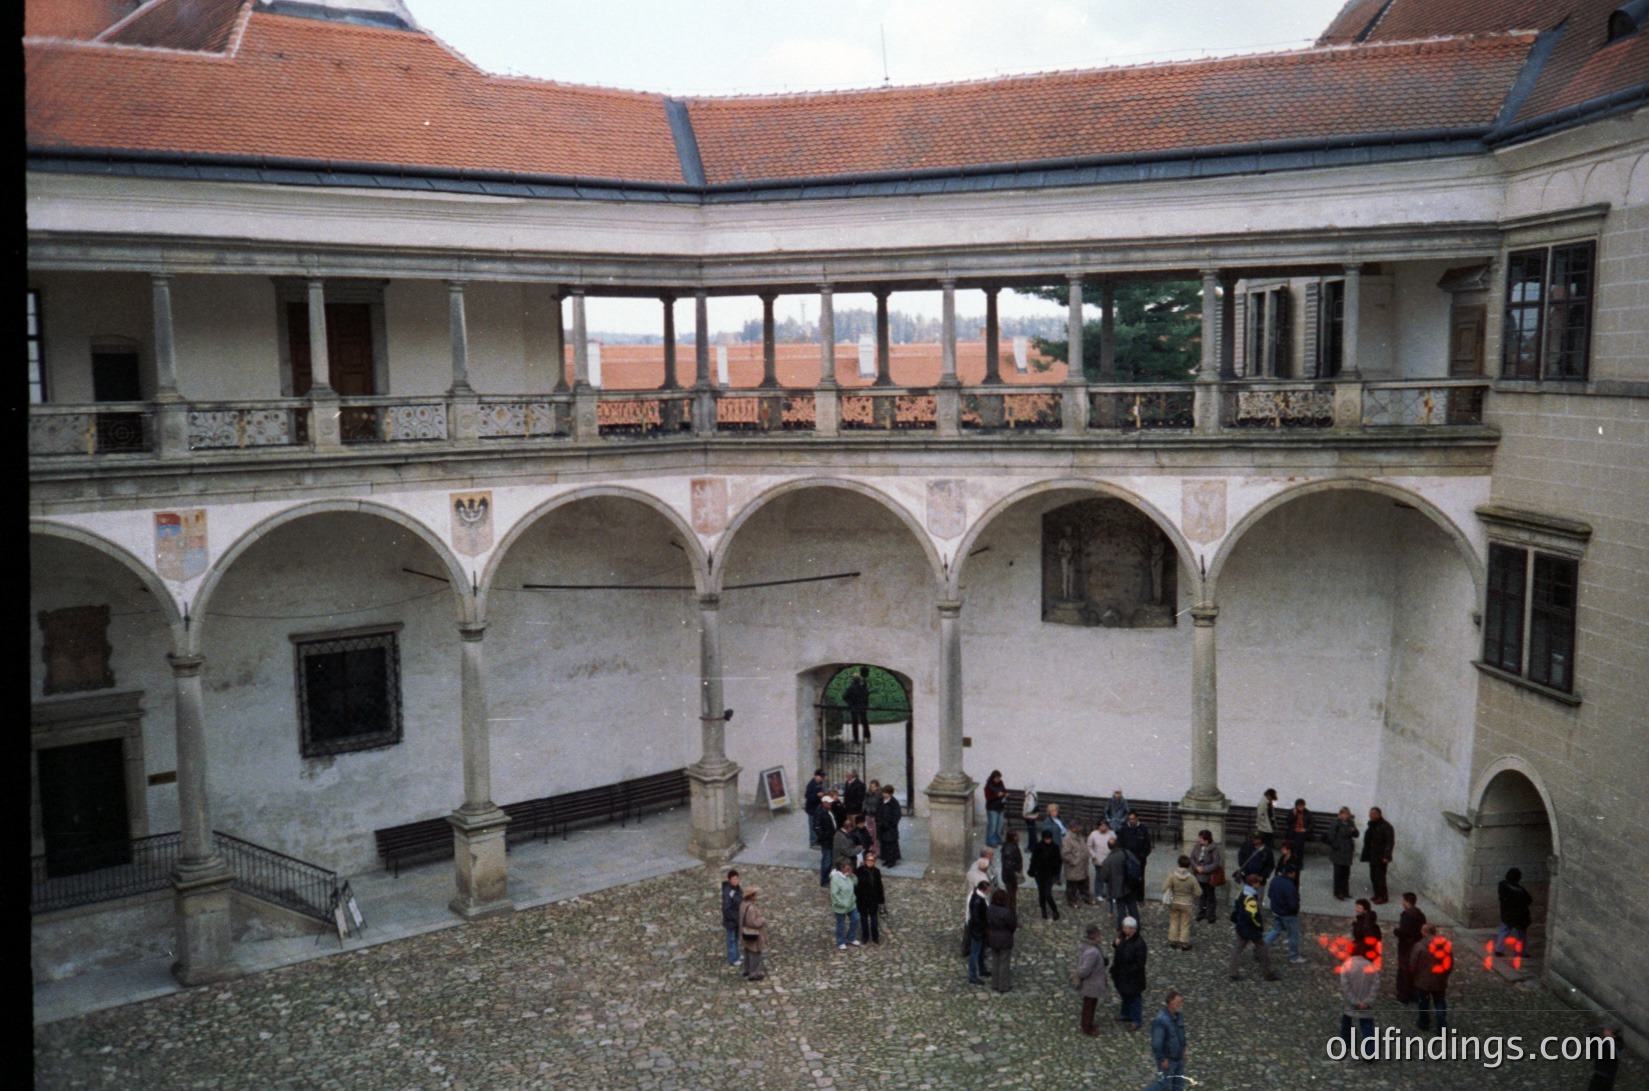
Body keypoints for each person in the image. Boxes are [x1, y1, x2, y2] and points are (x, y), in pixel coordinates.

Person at [1227, 872, 1279, 981]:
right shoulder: (1251, 899)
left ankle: (1233, 972)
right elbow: (1253, 917)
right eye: (1257, 883)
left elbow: (1237, 906)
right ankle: (1268, 972)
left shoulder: (1242, 892)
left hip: (1241, 927)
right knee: (1262, 948)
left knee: (1238, 949)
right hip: (1251, 929)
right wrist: (1259, 926)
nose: (1259, 885)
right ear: (1254, 884)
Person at [1410, 923, 1453, 1032]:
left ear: (1424, 932)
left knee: (1423, 1003)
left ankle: (1424, 1023)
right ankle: (1442, 1025)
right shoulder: (1445, 945)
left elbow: (1413, 964)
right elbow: (1450, 963)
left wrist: (1413, 975)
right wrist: (1445, 975)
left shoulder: (1419, 946)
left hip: (1423, 981)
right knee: (1439, 1002)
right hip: (1439, 980)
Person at [1110, 916, 1148, 1031]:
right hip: (1121, 974)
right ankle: (1126, 1014)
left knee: (1134, 998)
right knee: (1124, 995)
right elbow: (1119, 949)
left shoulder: (1139, 944)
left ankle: (1136, 1020)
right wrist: (1115, 944)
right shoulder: (1123, 937)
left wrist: (1127, 971)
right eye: (1124, 927)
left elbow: (1140, 963)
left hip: (1132, 977)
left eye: (1127, 928)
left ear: (1133, 929)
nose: (1124, 929)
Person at [1263, 864, 1305, 964]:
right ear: (1291, 873)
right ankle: (1293, 956)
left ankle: (1262, 947)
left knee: (1276, 929)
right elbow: (1293, 903)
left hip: (1277, 911)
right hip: (1288, 914)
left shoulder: (1275, 880)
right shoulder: (1290, 886)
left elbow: (1269, 894)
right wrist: (1294, 911)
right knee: (1293, 934)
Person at [1341, 949, 1377, 1059]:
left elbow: (1345, 987)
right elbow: (1375, 986)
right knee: (1367, 1025)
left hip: (1351, 1003)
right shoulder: (1371, 966)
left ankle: (1346, 1042)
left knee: (1346, 1020)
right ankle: (1369, 1052)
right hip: (1366, 1004)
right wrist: (1367, 1001)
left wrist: (1355, 1001)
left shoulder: (1346, 966)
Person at [1076, 924, 1110, 1036]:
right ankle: (1087, 1027)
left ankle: (1088, 1024)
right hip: (1092, 984)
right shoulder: (1093, 952)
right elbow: (1083, 971)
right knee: (1089, 1007)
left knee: (1090, 1005)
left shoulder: (1086, 946)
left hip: (1091, 983)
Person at [1162, 854, 1201, 951]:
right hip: (1187, 903)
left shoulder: (1172, 876)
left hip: (1174, 902)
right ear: (1188, 866)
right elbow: (1199, 892)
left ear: (1178, 864)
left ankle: (1173, 941)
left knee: (1174, 921)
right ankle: (1184, 944)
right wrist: (1191, 895)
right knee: (1185, 924)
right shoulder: (1192, 878)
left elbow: (1163, 888)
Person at [1099, 835, 1140, 927]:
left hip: (1117, 888)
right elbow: (1136, 863)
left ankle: (1123, 927)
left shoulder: (1107, 860)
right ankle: (1136, 925)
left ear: (1109, 847)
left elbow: (1104, 877)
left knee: (1121, 908)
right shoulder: (1126, 853)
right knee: (1132, 906)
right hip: (1129, 885)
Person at [1393, 892, 1426, 1003]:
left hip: (1406, 947)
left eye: (1403, 900)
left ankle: (1404, 995)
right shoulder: (1420, 914)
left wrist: (1396, 931)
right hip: (1416, 945)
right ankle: (1414, 994)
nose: (1402, 903)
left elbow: (1404, 932)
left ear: (1407, 901)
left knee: (1404, 970)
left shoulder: (1407, 915)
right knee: (1413, 969)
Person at [1495, 867, 1533, 958]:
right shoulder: (1521, 890)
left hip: (1507, 913)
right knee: (1521, 934)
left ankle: (1499, 949)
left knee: (1504, 930)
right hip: (1520, 915)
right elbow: (1529, 900)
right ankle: (1520, 952)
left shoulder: (1502, 884)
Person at [1150, 990, 1187, 1083]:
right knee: (1162, 1085)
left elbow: (1181, 1035)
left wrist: (1183, 1050)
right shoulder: (1160, 1020)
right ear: (1171, 1003)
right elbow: (1156, 1043)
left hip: (1178, 1058)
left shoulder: (1178, 1016)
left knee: (1178, 1085)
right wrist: (1162, 1059)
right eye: (1179, 1002)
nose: (1181, 1004)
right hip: (1167, 1060)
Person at [985, 889, 1018, 992]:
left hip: (993, 937)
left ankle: (995, 983)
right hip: (1005, 938)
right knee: (1004, 963)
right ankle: (1003, 986)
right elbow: (1012, 925)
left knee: (995, 961)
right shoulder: (1007, 912)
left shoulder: (990, 909)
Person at [1190, 828, 1225, 924]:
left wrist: (1204, 869)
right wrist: (1196, 866)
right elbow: (1192, 857)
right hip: (1198, 876)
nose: (1198, 840)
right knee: (1201, 895)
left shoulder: (1214, 849)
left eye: (1201, 839)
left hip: (1209, 878)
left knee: (1210, 896)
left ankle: (1211, 915)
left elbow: (1216, 863)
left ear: (1206, 840)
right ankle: (1202, 913)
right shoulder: (1197, 846)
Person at [1119, 810, 1154, 899]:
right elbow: (1120, 844)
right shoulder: (1124, 829)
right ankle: (1127, 895)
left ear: (1137, 818)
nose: (1131, 821)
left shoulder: (1143, 829)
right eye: (1129, 819)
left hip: (1139, 859)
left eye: (1133, 819)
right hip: (1127, 859)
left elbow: (1148, 845)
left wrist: (1142, 856)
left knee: (1139, 878)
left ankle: (1139, 897)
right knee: (1127, 877)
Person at [1029, 829, 1063, 921]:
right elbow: (1033, 860)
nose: (1048, 840)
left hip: (1050, 874)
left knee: (1047, 893)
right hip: (1039, 874)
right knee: (1041, 892)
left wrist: (1056, 874)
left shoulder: (1055, 847)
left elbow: (1058, 861)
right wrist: (1032, 871)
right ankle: (1043, 909)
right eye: (1046, 838)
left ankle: (1055, 910)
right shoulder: (1038, 847)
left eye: (1049, 838)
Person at [1362, 806, 1394, 904]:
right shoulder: (1372, 825)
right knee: (1373, 876)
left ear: (1378, 815)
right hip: (1373, 855)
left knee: (1380, 877)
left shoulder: (1386, 826)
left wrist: (1386, 856)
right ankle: (1377, 894)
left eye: (1372, 814)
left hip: (1381, 856)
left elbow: (1390, 842)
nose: (1370, 816)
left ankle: (1383, 897)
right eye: (1370, 814)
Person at [1329, 807, 1359, 901]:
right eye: (1344, 814)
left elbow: (1356, 834)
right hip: (1339, 850)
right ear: (1341, 814)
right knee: (1338, 872)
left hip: (1347, 850)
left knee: (1346, 872)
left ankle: (1345, 891)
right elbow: (1331, 836)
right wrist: (1336, 845)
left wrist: (1354, 831)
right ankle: (1338, 892)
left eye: (1348, 814)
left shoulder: (1350, 823)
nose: (1346, 816)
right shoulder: (1336, 823)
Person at [830, 857, 861, 950]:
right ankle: (841, 941)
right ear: (842, 868)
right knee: (841, 924)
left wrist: (852, 875)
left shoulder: (848, 875)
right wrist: (843, 904)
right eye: (848, 867)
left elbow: (855, 882)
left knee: (855, 919)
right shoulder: (835, 879)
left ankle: (850, 937)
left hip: (851, 904)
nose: (850, 868)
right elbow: (834, 894)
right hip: (841, 907)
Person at [738, 886, 767, 981]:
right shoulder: (750, 908)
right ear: (751, 896)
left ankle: (746, 970)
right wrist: (762, 920)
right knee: (754, 953)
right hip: (753, 934)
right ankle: (753, 973)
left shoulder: (743, 904)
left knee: (747, 951)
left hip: (745, 932)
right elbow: (752, 922)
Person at [855, 851, 885, 945]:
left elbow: (879, 886)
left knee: (874, 920)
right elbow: (856, 887)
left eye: (872, 860)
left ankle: (875, 937)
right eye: (868, 860)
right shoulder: (859, 871)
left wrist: (881, 900)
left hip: (873, 900)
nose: (870, 862)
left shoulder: (876, 872)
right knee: (864, 920)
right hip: (862, 899)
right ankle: (865, 936)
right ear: (865, 860)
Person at [966, 879, 991, 984]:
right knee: (975, 952)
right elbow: (977, 918)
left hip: (980, 930)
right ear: (984, 890)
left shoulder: (978, 897)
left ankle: (982, 969)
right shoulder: (978, 901)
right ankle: (972, 975)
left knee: (981, 951)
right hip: (978, 931)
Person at [814, 791, 841, 886]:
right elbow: (817, 827)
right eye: (829, 802)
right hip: (827, 840)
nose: (831, 804)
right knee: (827, 860)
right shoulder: (820, 812)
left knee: (831, 860)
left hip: (831, 838)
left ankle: (829, 878)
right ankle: (824, 880)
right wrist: (825, 836)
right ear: (824, 803)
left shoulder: (828, 810)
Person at [1062, 822, 1092, 906]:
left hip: (1083, 866)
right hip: (1074, 867)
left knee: (1084, 883)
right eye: (1078, 826)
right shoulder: (1067, 839)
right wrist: (1075, 861)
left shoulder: (1079, 836)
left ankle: (1086, 897)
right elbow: (1065, 854)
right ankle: (1072, 900)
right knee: (1072, 886)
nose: (1080, 828)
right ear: (1073, 828)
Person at [720, 869, 743, 968]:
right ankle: (732, 958)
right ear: (729, 880)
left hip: (737, 919)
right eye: (734, 879)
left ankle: (737, 955)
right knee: (731, 939)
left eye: (737, 878)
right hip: (731, 920)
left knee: (736, 938)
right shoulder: (728, 892)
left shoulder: (737, 889)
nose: (736, 880)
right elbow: (726, 908)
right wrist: (735, 918)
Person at [1352, 898, 1383, 967]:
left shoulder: (1366, 924)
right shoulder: (1367, 920)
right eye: (1356, 907)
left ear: (1365, 910)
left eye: (1359, 908)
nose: (1357, 909)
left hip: (1363, 951)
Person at [843, 667, 871, 743]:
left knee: (855, 723)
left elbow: (844, 696)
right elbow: (866, 695)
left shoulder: (851, 687)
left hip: (854, 707)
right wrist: (865, 704)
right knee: (864, 722)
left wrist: (850, 703)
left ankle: (856, 739)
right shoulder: (863, 687)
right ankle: (868, 737)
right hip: (862, 706)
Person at [877, 785, 902, 868]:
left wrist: (890, 824)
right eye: (883, 792)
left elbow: (897, 815)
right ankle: (886, 859)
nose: (884, 794)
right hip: (882, 827)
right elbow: (878, 812)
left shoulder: (894, 803)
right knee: (883, 844)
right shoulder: (880, 801)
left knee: (890, 844)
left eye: (886, 793)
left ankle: (892, 860)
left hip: (890, 828)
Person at [1000, 830, 1024, 912]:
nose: (1019, 837)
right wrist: (1015, 872)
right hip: (1010, 877)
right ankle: (1010, 914)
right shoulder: (1009, 849)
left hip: (1011, 876)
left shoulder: (1013, 846)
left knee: (1012, 895)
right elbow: (1008, 866)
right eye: (1017, 836)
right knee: (1011, 897)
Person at [983, 770, 1008, 848]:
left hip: (1000, 807)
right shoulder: (988, 785)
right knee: (992, 825)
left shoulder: (1001, 783)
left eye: (999, 778)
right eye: (997, 778)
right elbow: (988, 797)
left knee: (999, 825)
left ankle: (997, 838)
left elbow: (1004, 790)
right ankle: (990, 841)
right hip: (992, 808)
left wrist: (1005, 793)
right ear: (993, 778)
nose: (998, 780)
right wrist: (997, 795)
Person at [804, 769, 826, 846]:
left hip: (817, 808)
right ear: (816, 776)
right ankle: (813, 842)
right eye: (820, 776)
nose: (822, 778)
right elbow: (808, 797)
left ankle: (817, 840)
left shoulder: (819, 784)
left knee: (817, 825)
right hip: (812, 809)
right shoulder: (811, 785)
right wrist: (817, 795)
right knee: (812, 825)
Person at [1287, 798, 1311, 869]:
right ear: (1296, 806)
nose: (1301, 808)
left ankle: (1296, 862)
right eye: (1299, 806)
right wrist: (1293, 815)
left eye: (1302, 806)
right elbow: (1288, 822)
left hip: (1302, 832)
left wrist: (1306, 829)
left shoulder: (1307, 813)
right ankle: (1297, 862)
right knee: (1298, 845)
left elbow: (1312, 824)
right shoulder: (1292, 812)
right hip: (1293, 831)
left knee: (1298, 843)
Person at [863, 779, 882, 857]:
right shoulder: (868, 794)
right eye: (871, 787)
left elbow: (879, 805)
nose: (872, 788)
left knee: (876, 834)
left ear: (877, 787)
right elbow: (865, 802)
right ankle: (871, 849)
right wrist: (867, 808)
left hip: (875, 816)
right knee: (870, 833)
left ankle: (877, 851)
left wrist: (874, 809)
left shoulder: (879, 796)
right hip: (869, 815)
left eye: (873, 787)